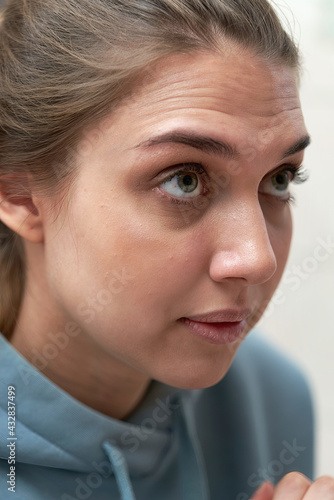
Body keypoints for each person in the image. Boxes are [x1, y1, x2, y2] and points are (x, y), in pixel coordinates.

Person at [0, 0, 332, 498]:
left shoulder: (269, 397)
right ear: (20, 194)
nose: (257, 259)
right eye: (184, 180)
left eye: (279, 178)